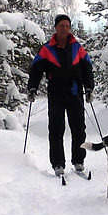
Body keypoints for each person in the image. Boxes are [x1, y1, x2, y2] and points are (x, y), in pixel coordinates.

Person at [28, 14, 95, 177]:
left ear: (69, 28)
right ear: (56, 28)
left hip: (75, 92)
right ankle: (58, 164)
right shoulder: (46, 49)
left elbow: (87, 68)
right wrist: (32, 88)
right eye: (61, 25)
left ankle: (78, 161)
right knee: (56, 129)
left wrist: (89, 88)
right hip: (56, 93)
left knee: (79, 129)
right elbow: (36, 69)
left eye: (66, 26)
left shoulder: (77, 48)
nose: (64, 28)